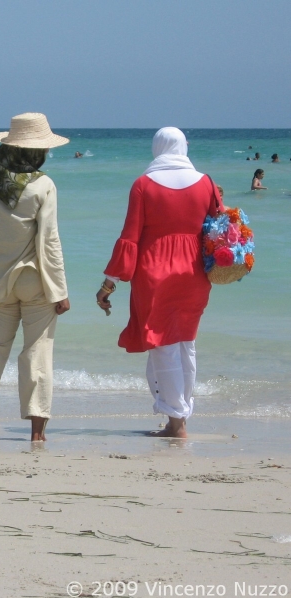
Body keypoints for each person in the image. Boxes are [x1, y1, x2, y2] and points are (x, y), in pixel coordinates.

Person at [97, 127, 223, 439]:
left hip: (154, 272)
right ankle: (179, 416)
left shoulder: (143, 185)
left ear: (157, 147)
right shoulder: (206, 183)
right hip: (194, 274)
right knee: (185, 342)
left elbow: (130, 236)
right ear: (183, 146)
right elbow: (219, 228)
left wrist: (109, 283)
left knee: (163, 344)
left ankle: (176, 423)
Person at [0, 112, 71, 442]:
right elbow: (48, 240)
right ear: (37, 151)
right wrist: (60, 290)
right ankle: (37, 433)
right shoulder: (43, 185)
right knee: (38, 353)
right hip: (35, 282)